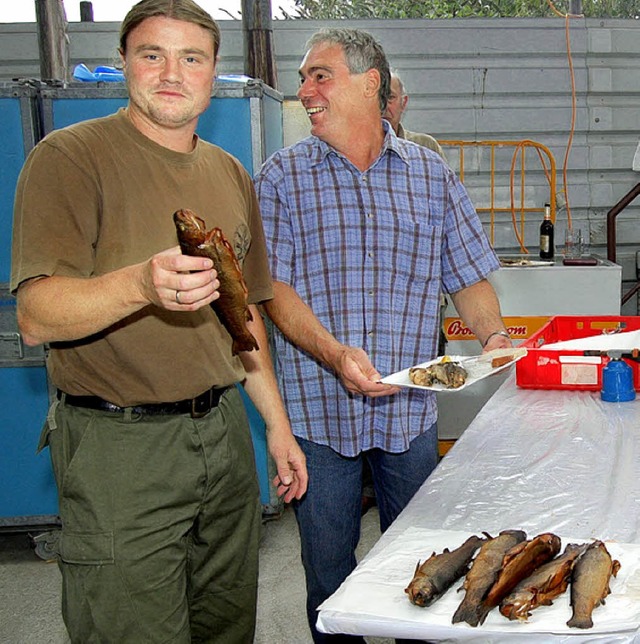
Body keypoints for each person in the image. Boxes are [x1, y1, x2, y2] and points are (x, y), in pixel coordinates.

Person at [10, 1, 307, 642]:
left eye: (191, 57)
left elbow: (245, 313)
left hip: (225, 436)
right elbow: (34, 316)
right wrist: (139, 285)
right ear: (124, 63)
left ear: (212, 74)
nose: (172, 73)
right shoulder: (69, 158)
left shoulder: (229, 173)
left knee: (227, 626)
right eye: (153, 55)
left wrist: (277, 428)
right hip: (120, 446)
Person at [254, 28, 511, 643]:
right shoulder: (281, 178)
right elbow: (273, 292)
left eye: (321, 76)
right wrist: (333, 353)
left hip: (408, 417)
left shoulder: (430, 174)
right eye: (303, 77)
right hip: (317, 419)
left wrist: (496, 336)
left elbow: (468, 274)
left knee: (424, 571)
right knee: (329, 581)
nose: (304, 91)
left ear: (372, 85)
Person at [384, 68, 446, 159]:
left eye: (390, 97)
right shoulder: (357, 150)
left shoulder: (427, 147)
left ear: (403, 103)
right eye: (377, 98)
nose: (383, 105)